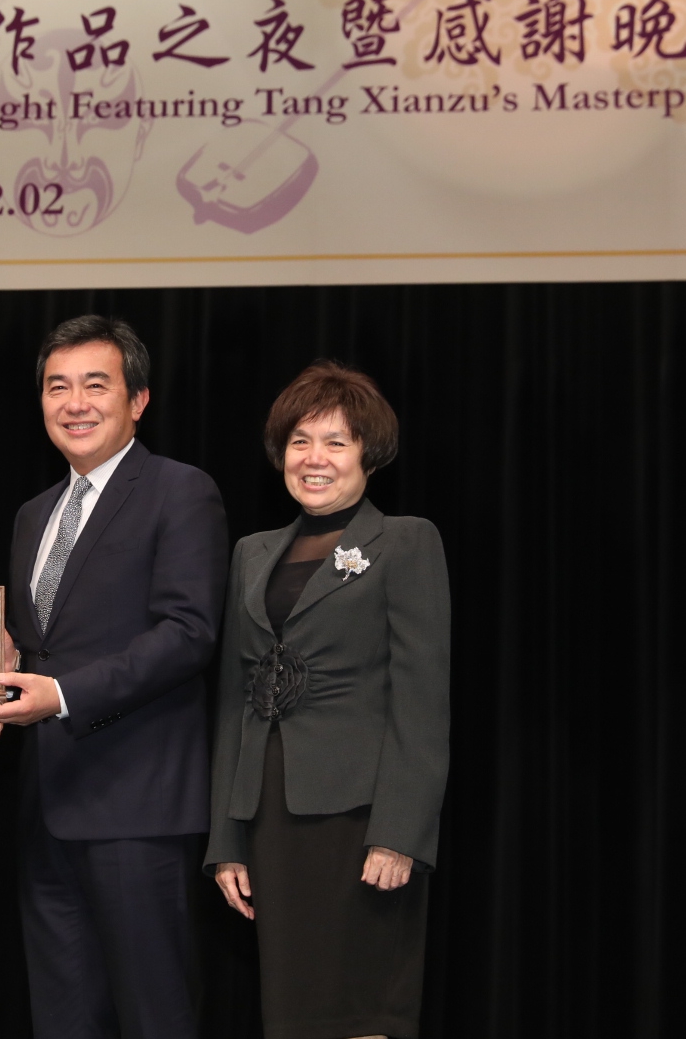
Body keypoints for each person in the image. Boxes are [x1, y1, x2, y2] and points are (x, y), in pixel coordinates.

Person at [0, 314, 228, 1039]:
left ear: (138, 400)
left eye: (96, 385)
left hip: (138, 811)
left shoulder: (181, 492)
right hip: (45, 809)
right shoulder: (33, 515)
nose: (75, 403)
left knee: (155, 1017)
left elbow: (189, 634)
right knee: (63, 1019)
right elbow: (31, 647)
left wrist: (62, 695)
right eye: (58, 387)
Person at [206, 362, 451, 1039]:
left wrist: (400, 832)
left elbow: (422, 702)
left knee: (364, 1006)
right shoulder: (253, 553)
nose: (315, 458)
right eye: (300, 441)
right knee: (293, 1012)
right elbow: (234, 699)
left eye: (336, 441)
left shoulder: (405, 541)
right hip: (271, 816)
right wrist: (225, 838)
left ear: (367, 453)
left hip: (362, 818)